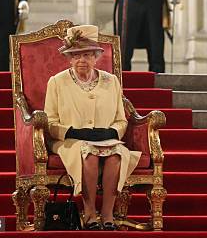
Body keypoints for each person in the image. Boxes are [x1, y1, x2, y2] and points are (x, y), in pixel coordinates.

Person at [44, 25, 141, 231]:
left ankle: (107, 214)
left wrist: (112, 132)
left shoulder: (111, 81)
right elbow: (49, 123)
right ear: (69, 58)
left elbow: (121, 120)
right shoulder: (57, 82)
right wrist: (73, 132)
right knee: (90, 155)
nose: (82, 60)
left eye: (87, 55)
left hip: (107, 139)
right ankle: (89, 213)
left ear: (96, 57)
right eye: (77, 55)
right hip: (70, 141)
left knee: (116, 156)